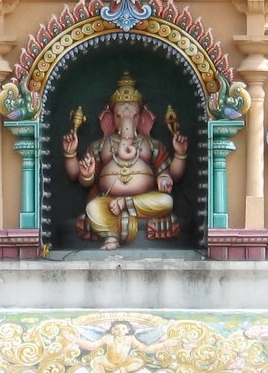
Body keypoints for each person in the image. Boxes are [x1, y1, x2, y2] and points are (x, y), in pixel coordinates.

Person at [63, 71, 187, 250]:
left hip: (143, 201)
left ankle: (124, 205)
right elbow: (78, 177)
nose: (126, 121)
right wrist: (77, 161)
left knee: (166, 202)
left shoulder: (152, 145)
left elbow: (172, 174)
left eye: (133, 116)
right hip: (108, 202)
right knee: (92, 208)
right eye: (119, 116)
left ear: (143, 120)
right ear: (109, 119)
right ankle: (111, 236)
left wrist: (178, 158)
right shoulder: (100, 145)